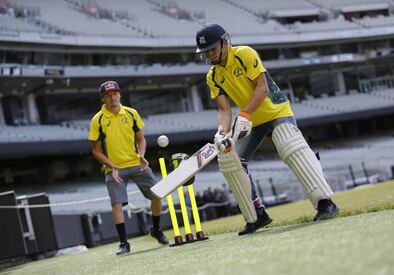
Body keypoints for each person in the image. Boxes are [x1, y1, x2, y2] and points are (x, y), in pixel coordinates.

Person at [195, 24, 339, 235]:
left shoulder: (244, 54)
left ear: (225, 43)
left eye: (212, 49)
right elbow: (224, 110)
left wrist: (244, 115)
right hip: (250, 120)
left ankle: (326, 203)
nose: (209, 55)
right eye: (205, 52)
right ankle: (256, 215)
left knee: (290, 145)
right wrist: (221, 132)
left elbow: (262, 88)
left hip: (275, 111)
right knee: (231, 159)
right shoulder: (213, 75)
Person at [88, 81, 168, 255]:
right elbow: (96, 151)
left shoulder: (131, 113)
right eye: (108, 96)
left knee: (157, 193)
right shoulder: (98, 120)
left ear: (120, 95)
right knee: (116, 204)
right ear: (103, 99)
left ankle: (156, 229)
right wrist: (112, 166)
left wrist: (141, 156)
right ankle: (124, 243)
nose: (113, 98)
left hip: (136, 163)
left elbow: (141, 140)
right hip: (114, 169)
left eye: (115, 94)